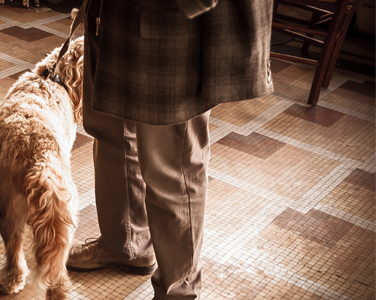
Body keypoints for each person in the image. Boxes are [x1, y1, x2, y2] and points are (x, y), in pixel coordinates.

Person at [66, 0, 274, 299]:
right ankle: (125, 244)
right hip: (114, 14)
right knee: (109, 128)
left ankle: (179, 291)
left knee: (172, 166)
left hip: (176, 20)